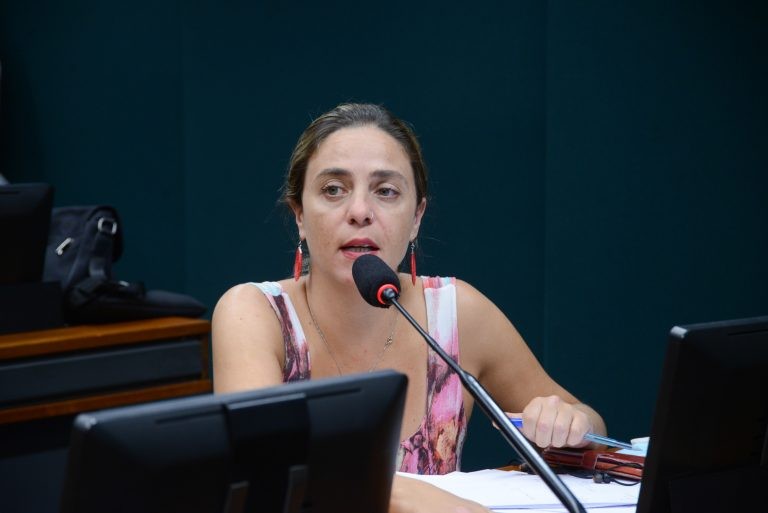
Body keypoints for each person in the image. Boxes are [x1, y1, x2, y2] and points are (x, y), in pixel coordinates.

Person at [212, 102, 607, 512]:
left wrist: (570, 424)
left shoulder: (459, 313)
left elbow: (591, 425)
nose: (360, 212)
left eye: (386, 191)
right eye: (333, 189)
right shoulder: (254, 314)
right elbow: (268, 471)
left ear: (417, 217)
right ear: (299, 214)